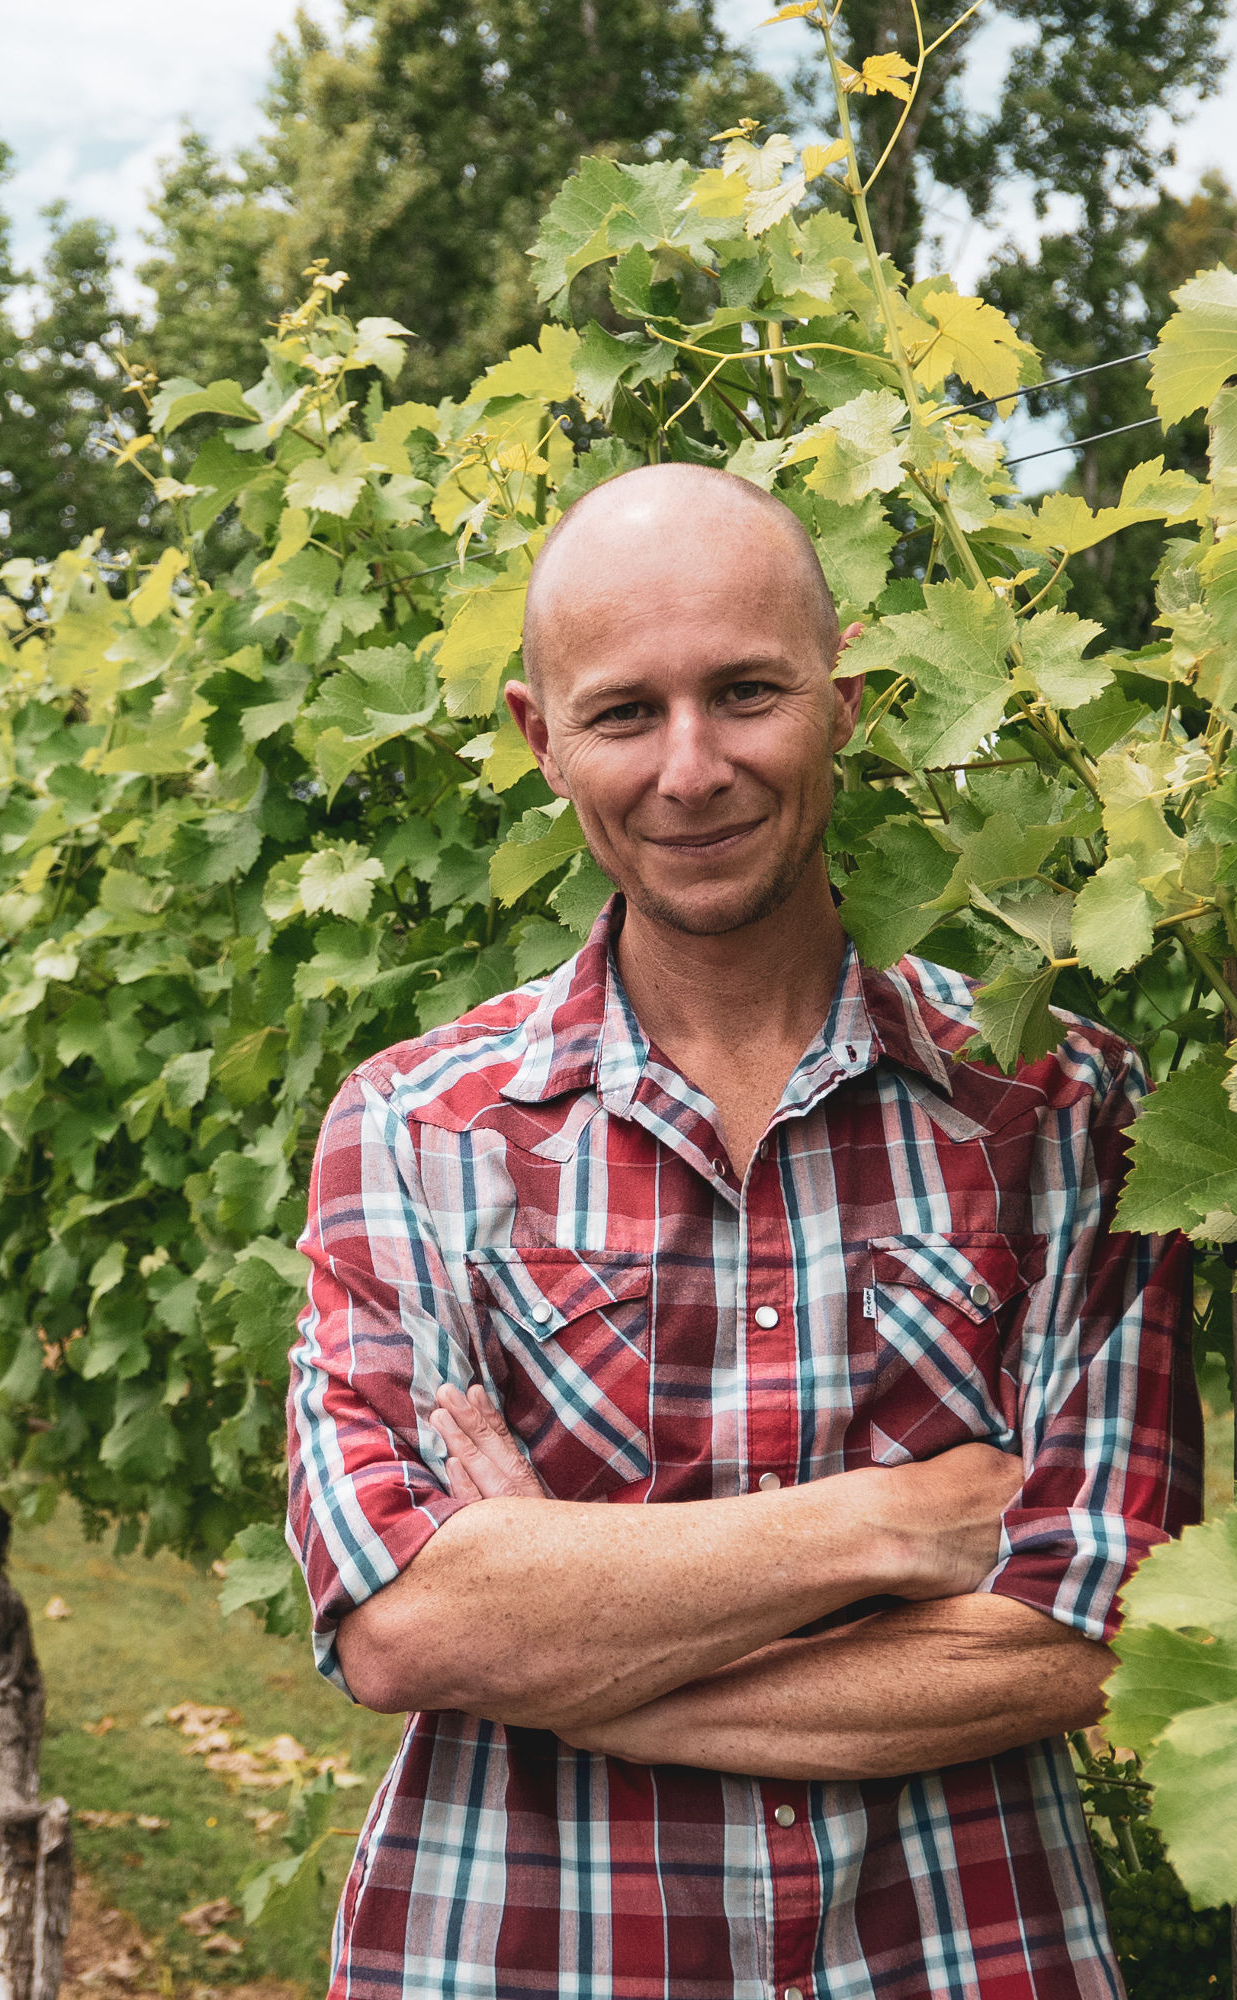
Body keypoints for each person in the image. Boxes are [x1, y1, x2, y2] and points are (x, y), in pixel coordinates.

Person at [286, 463, 1200, 2000]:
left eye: (749, 691)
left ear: (845, 700)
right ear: (540, 738)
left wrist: (569, 1662)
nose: (692, 768)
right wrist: (894, 1528)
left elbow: (1080, 1635)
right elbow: (407, 1623)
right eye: (625, 712)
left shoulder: (1065, 1110)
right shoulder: (414, 1128)